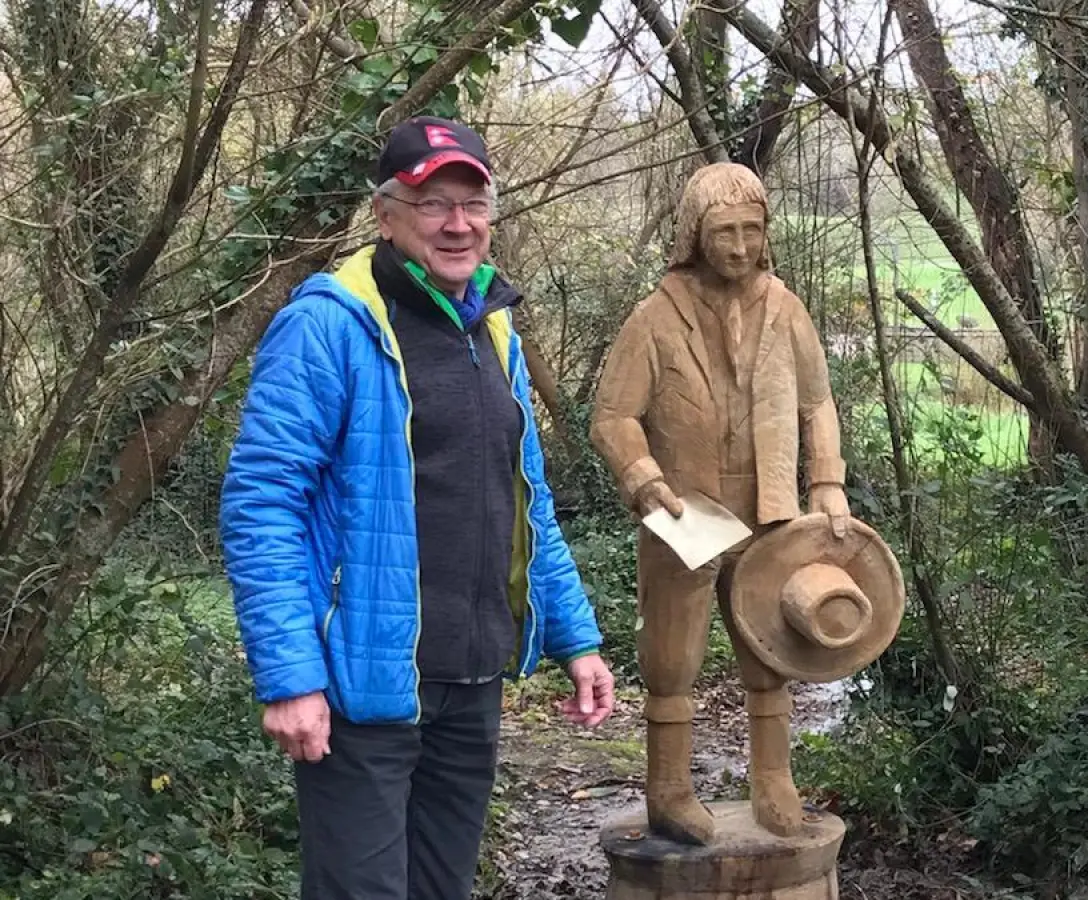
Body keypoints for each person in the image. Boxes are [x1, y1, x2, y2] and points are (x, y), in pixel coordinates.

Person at [219, 116, 615, 900]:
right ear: (387, 213)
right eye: (434, 202)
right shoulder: (328, 325)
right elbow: (261, 502)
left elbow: (527, 503)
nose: (458, 223)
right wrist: (290, 676)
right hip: (363, 687)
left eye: (474, 202)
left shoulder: (494, 330)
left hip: (472, 681)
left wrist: (578, 639)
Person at [589, 161, 850, 845]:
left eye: (750, 231)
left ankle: (773, 782)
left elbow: (817, 401)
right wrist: (644, 478)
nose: (738, 247)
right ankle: (669, 791)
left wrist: (826, 480)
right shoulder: (655, 317)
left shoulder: (786, 309)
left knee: (772, 647)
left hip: (770, 513)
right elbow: (613, 416)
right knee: (673, 657)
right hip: (687, 513)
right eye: (724, 232)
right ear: (693, 235)